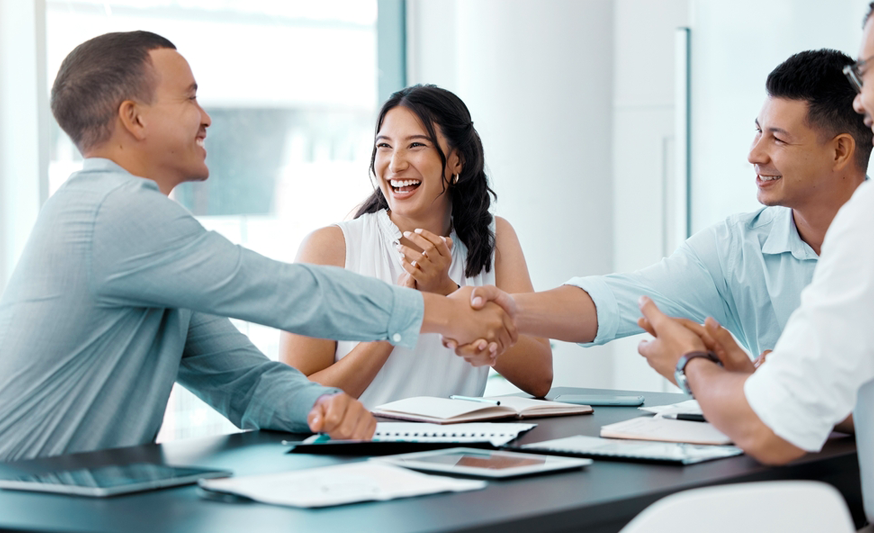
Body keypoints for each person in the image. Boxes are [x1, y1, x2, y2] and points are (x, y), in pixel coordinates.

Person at [0, 32, 516, 462]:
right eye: (189, 98)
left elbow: (242, 382)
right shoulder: (114, 211)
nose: (207, 118)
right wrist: (444, 312)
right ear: (134, 118)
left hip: (79, 493)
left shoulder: (137, 231)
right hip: (29, 496)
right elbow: (284, 291)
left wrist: (316, 405)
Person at [450, 48, 871, 368]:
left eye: (777, 139)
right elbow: (621, 299)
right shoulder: (739, 247)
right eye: (758, 132)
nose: (754, 154)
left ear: (839, 151)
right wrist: (512, 310)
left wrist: (775, 381)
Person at [630, 4, 874, 522]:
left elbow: (771, 432)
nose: (862, 96)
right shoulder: (740, 240)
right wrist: (766, 385)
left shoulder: (863, 224)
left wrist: (690, 365)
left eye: (868, 71)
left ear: (839, 151)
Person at [279, 85, 552, 408]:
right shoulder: (330, 248)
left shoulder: (494, 238)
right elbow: (294, 400)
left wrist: (447, 292)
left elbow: (539, 376)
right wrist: (400, 315)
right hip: (359, 440)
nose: (395, 164)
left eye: (416, 145)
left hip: (459, 440)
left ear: (457, 160)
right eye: (384, 146)